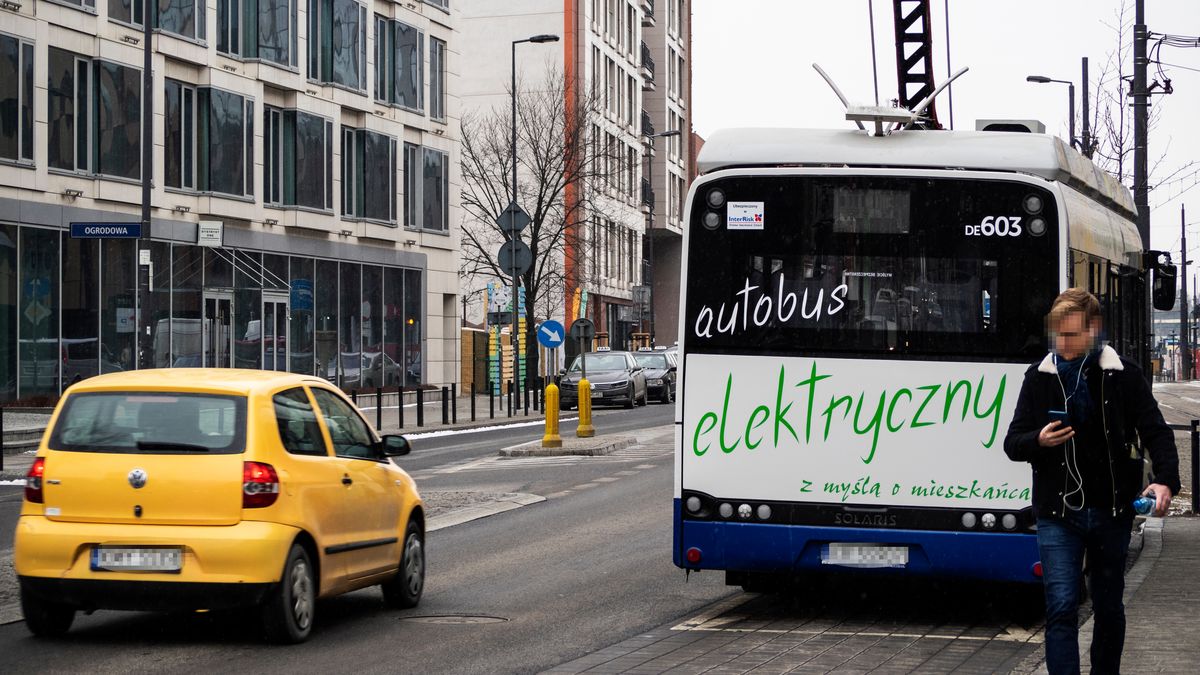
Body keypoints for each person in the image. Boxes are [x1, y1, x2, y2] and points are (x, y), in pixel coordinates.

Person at [1004, 288, 1181, 675]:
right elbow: (1013, 442)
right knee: (1062, 606)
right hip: (1057, 512)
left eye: (1071, 335)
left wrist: (1166, 480)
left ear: (1094, 331)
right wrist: (1038, 440)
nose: (1061, 345)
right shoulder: (1039, 378)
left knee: (1108, 607)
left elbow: (1156, 431)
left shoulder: (1123, 375)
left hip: (1111, 511)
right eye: (1057, 335)